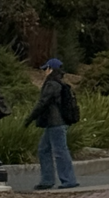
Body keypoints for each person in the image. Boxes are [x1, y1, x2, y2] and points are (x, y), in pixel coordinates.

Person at [25, 58, 80, 189]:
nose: (44, 71)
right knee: (45, 150)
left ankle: (67, 180)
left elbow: (43, 102)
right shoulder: (60, 83)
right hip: (57, 122)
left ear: (51, 69)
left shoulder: (51, 84)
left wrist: (30, 118)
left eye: (46, 69)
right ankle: (48, 180)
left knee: (59, 151)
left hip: (55, 122)